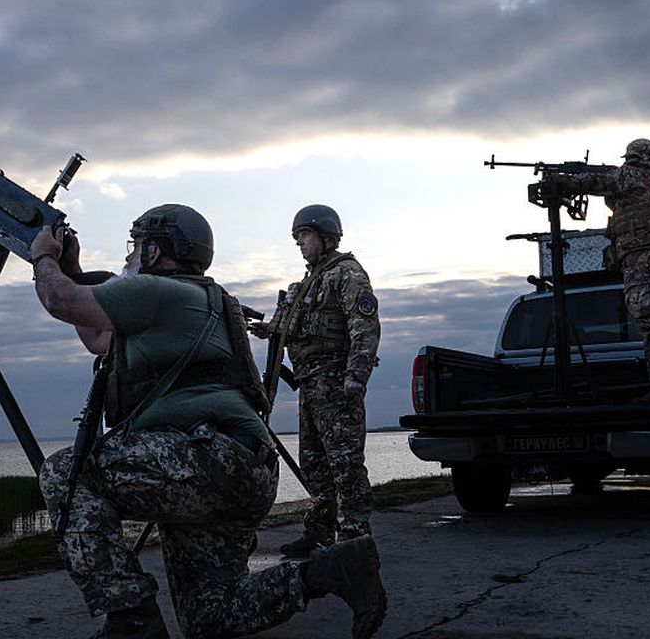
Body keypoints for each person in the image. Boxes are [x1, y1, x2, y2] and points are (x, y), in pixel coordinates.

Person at [30, 203, 386, 639]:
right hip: (239, 469)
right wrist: (73, 266)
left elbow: (60, 301)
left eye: (135, 247)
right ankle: (332, 570)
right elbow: (98, 338)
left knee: (65, 473)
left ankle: (131, 616)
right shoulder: (202, 299)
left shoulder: (155, 291)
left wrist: (43, 258)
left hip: (206, 459)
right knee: (210, 616)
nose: (129, 258)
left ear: (156, 253)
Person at [250, 205, 380, 559]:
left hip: (337, 383)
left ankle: (355, 534)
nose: (300, 244)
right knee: (314, 462)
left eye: (304, 236)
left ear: (326, 236)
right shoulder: (309, 282)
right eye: (297, 238)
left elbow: (364, 324)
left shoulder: (347, 274)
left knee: (345, 460)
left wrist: (357, 375)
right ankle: (320, 531)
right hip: (309, 385)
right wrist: (269, 329)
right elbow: (296, 326)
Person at [554, 138, 650, 404]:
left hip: (640, 256)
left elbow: (595, 184)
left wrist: (563, 180)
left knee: (649, 321)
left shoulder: (631, 175)